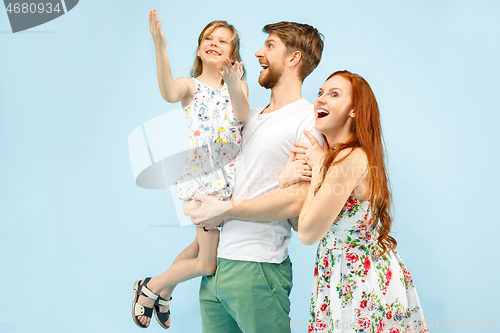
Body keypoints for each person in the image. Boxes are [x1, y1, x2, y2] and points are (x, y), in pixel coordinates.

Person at [185, 22, 325, 333]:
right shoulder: (247, 115)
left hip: (257, 267)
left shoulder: (307, 120)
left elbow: (299, 200)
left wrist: (227, 210)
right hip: (215, 268)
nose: (259, 53)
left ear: (293, 58)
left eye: (270, 46)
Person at [131, 10, 249, 329]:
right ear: (199, 50)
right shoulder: (191, 87)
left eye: (223, 41)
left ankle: (164, 292)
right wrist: (159, 44)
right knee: (207, 263)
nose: (214, 43)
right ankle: (150, 287)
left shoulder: (238, 89)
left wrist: (235, 82)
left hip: (229, 185)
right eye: (208, 39)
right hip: (203, 183)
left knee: (198, 248)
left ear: (233, 55)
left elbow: (242, 112)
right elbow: (169, 92)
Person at [290, 70, 429, 332]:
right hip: (339, 277)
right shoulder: (337, 157)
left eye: (334, 94)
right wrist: (288, 180)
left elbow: (307, 233)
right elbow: (299, 222)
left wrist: (319, 167)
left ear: (354, 111)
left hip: (361, 284)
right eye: (320, 93)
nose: (320, 99)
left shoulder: (350, 159)